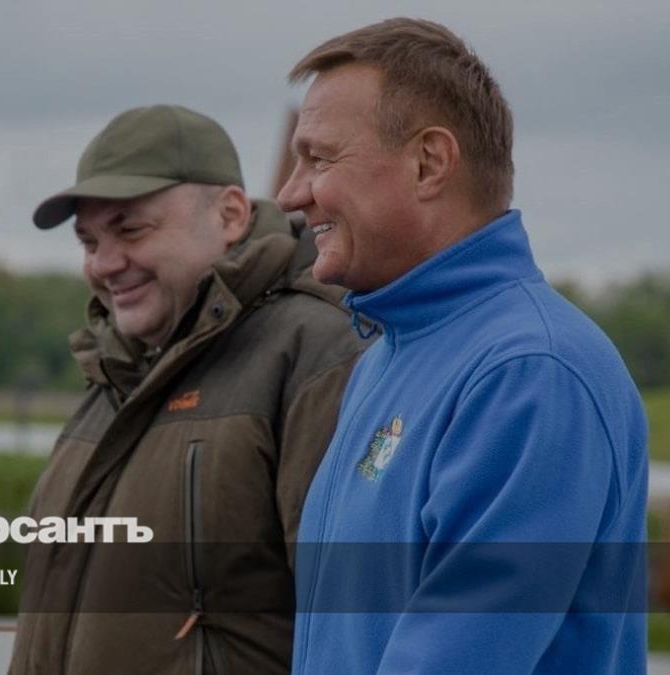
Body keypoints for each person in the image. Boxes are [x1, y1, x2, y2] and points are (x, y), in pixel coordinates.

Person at [276, 18, 648, 675]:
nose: (290, 193)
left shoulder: (530, 372)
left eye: (320, 158)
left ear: (429, 162)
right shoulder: (383, 361)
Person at [7, 104, 368, 675]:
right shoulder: (112, 376)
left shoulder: (316, 353)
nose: (105, 264)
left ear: (229, 215)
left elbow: (356, 623)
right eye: (88, 241)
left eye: (130, 229)